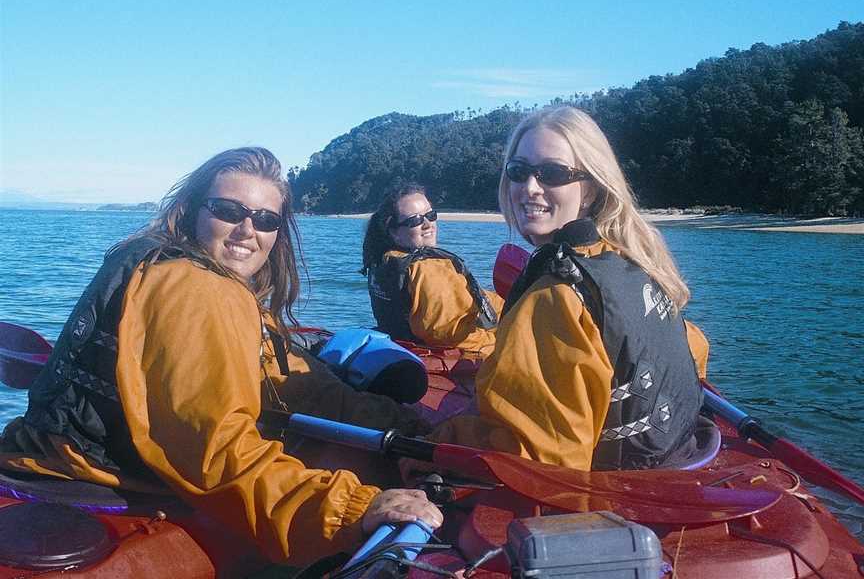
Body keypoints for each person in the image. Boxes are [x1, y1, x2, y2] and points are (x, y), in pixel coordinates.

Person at [0, 147, 441, 565]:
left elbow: (302, 383)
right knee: (359, 467)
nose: (248, 230)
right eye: (228, 211)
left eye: (266, 219)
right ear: (194, 210)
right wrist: (354, 507)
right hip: (85, 477)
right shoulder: (199, 291)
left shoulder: (175, 270)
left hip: (36, 453)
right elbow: (218, 451)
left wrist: (408, 430)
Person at [431, 106, 710, 472]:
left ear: (591, 189)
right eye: (518, 171)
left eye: (552, 173)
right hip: (679, 460)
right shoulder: (635, 260)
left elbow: (539, 462)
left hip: (618, 493)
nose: (530, 187)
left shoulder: (556, 298)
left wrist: (434, 439)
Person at [360, 183, 504, 357]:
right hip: (443, 352)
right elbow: (446, 332)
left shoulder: (383, 260)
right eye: (415, 220)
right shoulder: (426, 268)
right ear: (394, 232)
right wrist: (499, 342)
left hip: (402, 343)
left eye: (431, 215)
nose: (428, 224)